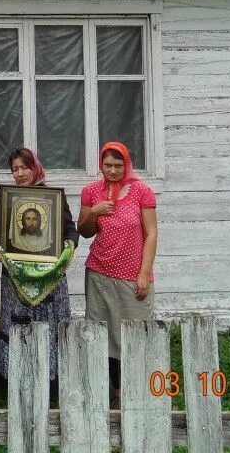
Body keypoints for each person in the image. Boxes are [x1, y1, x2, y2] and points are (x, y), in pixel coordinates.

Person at [0, 147, 77, 395]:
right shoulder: (5, 198)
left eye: (24, 167)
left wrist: (68, 248)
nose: (19, 173)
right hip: (16, 277)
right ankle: (14, 379)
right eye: (15, 169)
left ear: (34, 167)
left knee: (47, 326)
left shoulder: (53, 198)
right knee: (18, 326)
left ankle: (50, 382)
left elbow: (70, 230)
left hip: (49, 278)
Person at [77, 141, 158, 407]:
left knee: (134, 332)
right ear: (101, 165)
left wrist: (144, 273)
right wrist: (94, 212)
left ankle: (135, 389)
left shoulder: (141, 191)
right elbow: (85, 231)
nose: (112, 171)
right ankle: (111, 391)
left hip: (132, 275)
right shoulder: (91, 191)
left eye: (118, 165)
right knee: (103, 334)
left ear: (126, 164)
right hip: (100, 272)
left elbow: (151, 233)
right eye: (107, 165)